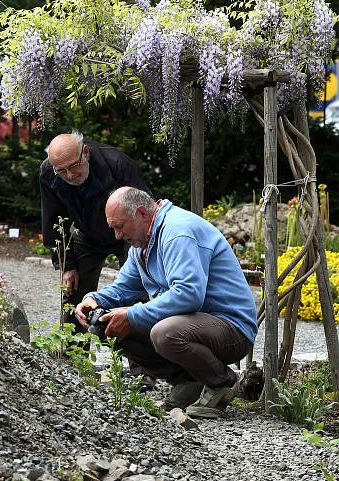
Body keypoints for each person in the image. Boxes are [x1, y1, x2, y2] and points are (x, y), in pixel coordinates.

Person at [75, 187, 258, 418]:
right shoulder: (142, 244)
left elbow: (188, 294)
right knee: (106, 323)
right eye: (113, 228)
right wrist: (94, 300)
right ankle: (190, 381)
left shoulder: (177, 231)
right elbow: (124, 288)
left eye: (119, 226)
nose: (117, 236)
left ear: (141, 213)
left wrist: (131, 314)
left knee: (165, 332)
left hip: (231, 328)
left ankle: (223, 382)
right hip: (194, 324)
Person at [40, 131, 151, 331]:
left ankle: (139, 359)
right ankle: (73, 357)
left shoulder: (117, 164)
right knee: (74, 293)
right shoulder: (49, 171)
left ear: (86, 152)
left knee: (136, 290)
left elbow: (145, 211)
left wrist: (141, 254)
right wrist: (66, 264)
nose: (70, 175)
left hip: (127, 236)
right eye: (62, 171)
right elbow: (53, 220)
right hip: (86, 233)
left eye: (74, 166)